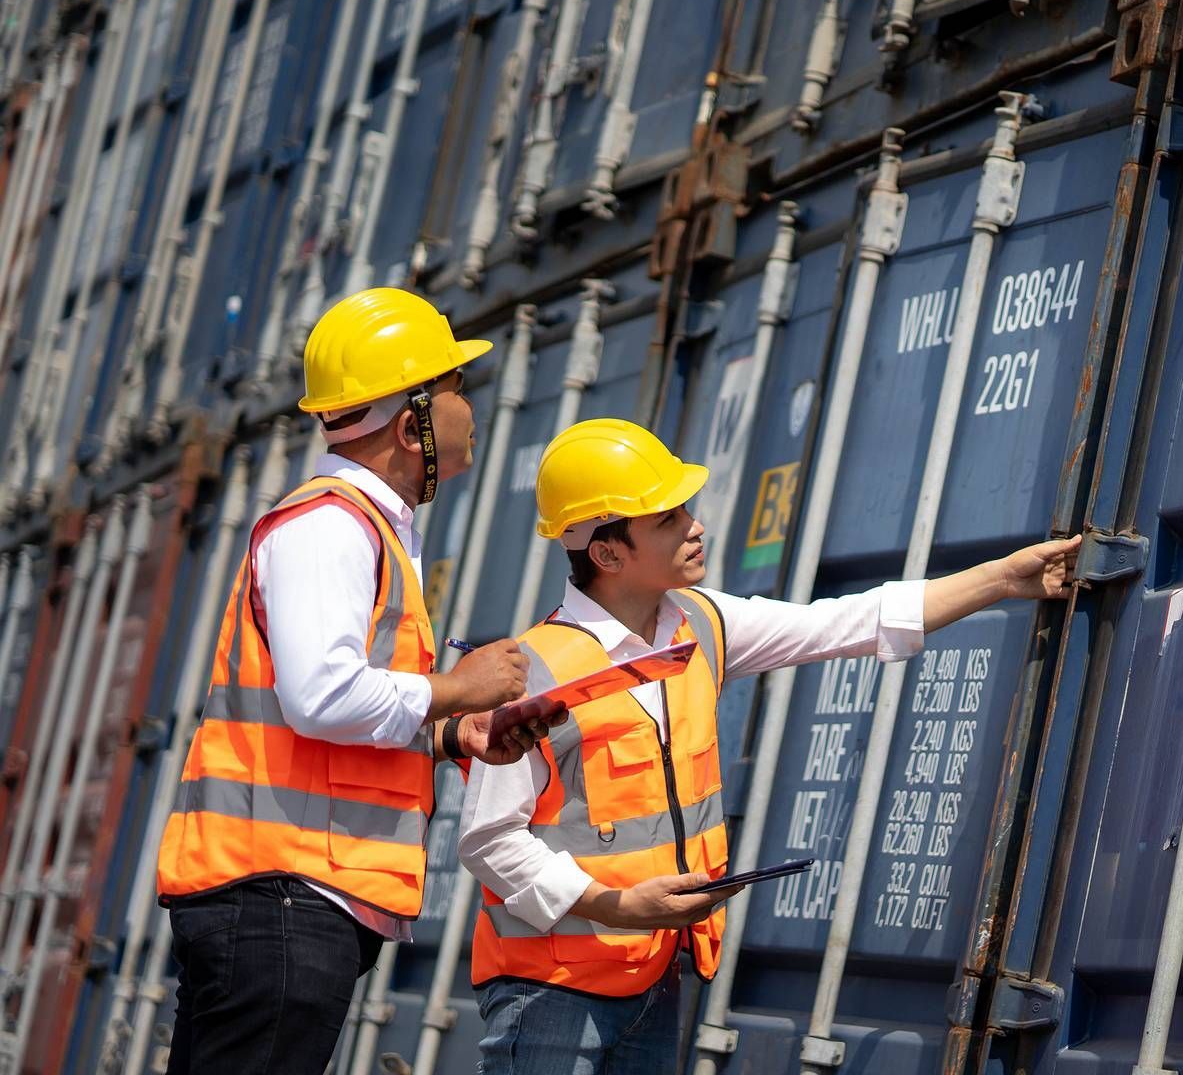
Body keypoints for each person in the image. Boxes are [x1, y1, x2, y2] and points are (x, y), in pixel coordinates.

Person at [458, 418, 1078, 1074]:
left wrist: (1004, 579)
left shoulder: (700, 623)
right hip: (550, 991)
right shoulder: (534, 672)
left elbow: (846, 622)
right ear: (608, 555)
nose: (696, 526)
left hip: (654, 975)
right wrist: (614, 905)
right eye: (669, 518)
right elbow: (488, 839)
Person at [154, 287, 553, 1073]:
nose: (469, 410)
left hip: (285, 898)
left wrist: (446, 736)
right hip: (281, 895)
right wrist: (458, 689)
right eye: (455, 391)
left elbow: (337, 718)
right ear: (412, 427)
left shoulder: (354, 529)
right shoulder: (331, 528)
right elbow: (323, 698)